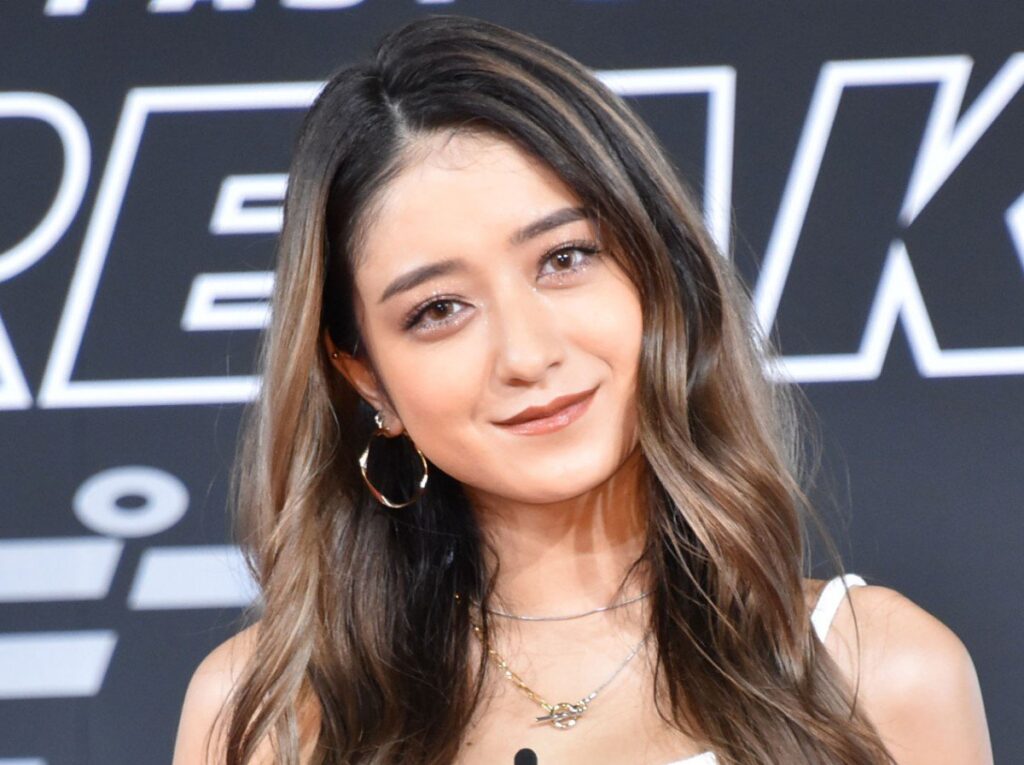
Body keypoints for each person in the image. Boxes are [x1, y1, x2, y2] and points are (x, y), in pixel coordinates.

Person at [171, 14, 992, 765]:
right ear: (366, 376)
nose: (527, 354)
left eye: (565, 259)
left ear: (656, 270)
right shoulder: (268, 718)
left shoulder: (875, 675)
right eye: (439, 309)